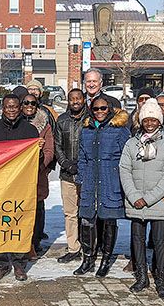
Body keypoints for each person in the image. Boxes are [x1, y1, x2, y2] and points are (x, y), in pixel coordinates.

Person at [118, 98, 164, 299]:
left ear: (160, 121)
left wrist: (150, 198)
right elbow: (124, 170)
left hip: (159, 201)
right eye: (146, 119)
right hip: (136, 200)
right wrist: (134, 196)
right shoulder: (131, 144)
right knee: (137, 240)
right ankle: (141, 277)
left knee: (160, 241)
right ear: (141, 121)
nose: (150, 123)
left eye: (154, 119)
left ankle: (161, 280)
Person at [0, 94, 40, 282]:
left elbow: (35, 162)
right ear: (2, 108)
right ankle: (0, 264)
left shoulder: (30, 131)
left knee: (19, 224)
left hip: (21, 186)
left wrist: (37, 150)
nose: (12, 110)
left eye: (15, 106)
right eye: (8, 106)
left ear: (20, 107)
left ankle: (19, 264)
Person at [75, 94, 130, 277]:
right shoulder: (86, 130)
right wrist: (81, 179)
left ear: (110, 110)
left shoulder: (120, 131)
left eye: (103, 108)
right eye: (96, 109)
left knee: (108, 220)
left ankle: (106, 260)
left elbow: (126, 158)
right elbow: (82, 158)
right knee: (86, 220)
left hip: (110, 179)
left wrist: (122, 180)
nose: (99, 112)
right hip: (90, 179)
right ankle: (88, 259)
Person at [54, 89, 88, 263]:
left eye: (78, 98)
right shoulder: (62, 120)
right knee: (70, 213)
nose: (75, 102)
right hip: (67, 173)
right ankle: (74, 247)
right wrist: (66, 163)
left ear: (84, 99)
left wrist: (83, 165)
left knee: (88, 212)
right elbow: (57, 145)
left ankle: (89, 247)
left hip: (87, 172)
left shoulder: (91, 118)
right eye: (72, 99)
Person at [20, 93, 55, 257]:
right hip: (18, 176)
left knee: (37, 210)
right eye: (26, 102)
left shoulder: (45, 126)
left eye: (32, 103)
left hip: (38, 173)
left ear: (37, 106)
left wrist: (41, 165)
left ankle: (35, 241)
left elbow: (49, 150)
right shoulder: (16, 124)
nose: (29, 106)